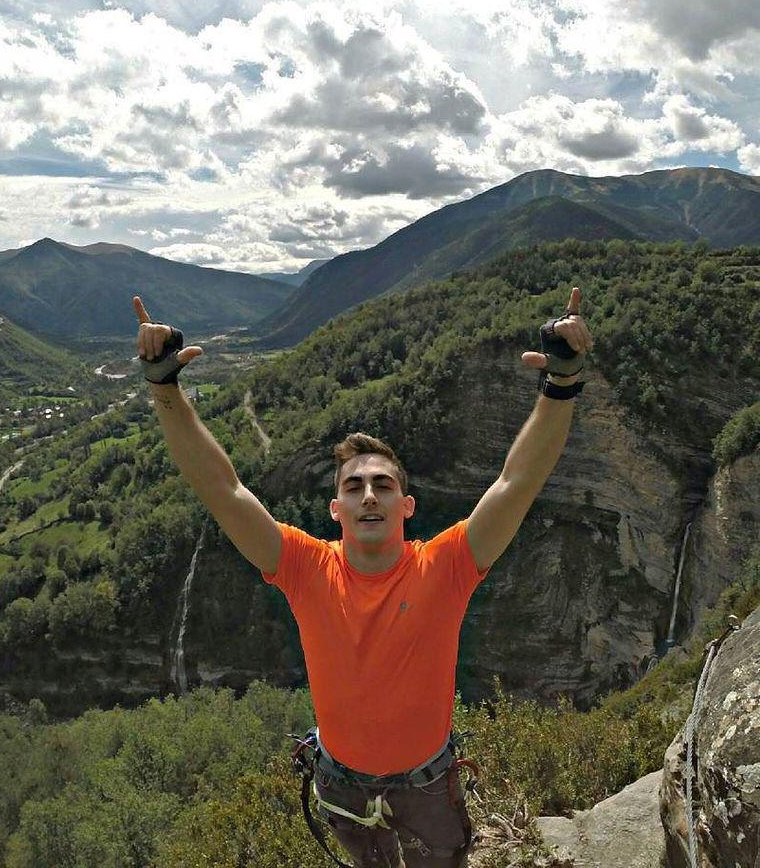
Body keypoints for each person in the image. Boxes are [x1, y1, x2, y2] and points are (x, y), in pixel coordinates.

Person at [132, 289, 593, 868]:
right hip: (342, 786)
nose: (369, 494)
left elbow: (515, 482)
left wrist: (562, 385)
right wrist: (163, 387)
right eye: (354, 487)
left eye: (383, 485)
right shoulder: (303, 568)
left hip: (427, 786)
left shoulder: (446, 566)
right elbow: (222, 490)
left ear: (407, 505)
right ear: (335, 510)